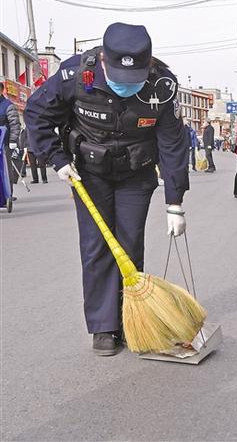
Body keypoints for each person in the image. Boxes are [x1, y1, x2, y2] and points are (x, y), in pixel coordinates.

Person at [24, 22, 189, 356]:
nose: (125, 86)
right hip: (88, 173)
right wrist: (57, 158)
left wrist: (175, 203)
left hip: (136, 174)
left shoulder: (163, 86)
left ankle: (131, 318)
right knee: (97, 246)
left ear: (148, 64)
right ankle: (103, 326)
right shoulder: (74, 75)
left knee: (129, 243)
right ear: (103, 61)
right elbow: (37, 113)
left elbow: (173, 144)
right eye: (119, 77)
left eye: (134, 78)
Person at [1, 82, 22, 193]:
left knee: (6, 169)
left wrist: (13, 140)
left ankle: (8, 193)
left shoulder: (8, 105)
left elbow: (15, 124)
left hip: (4, 143)